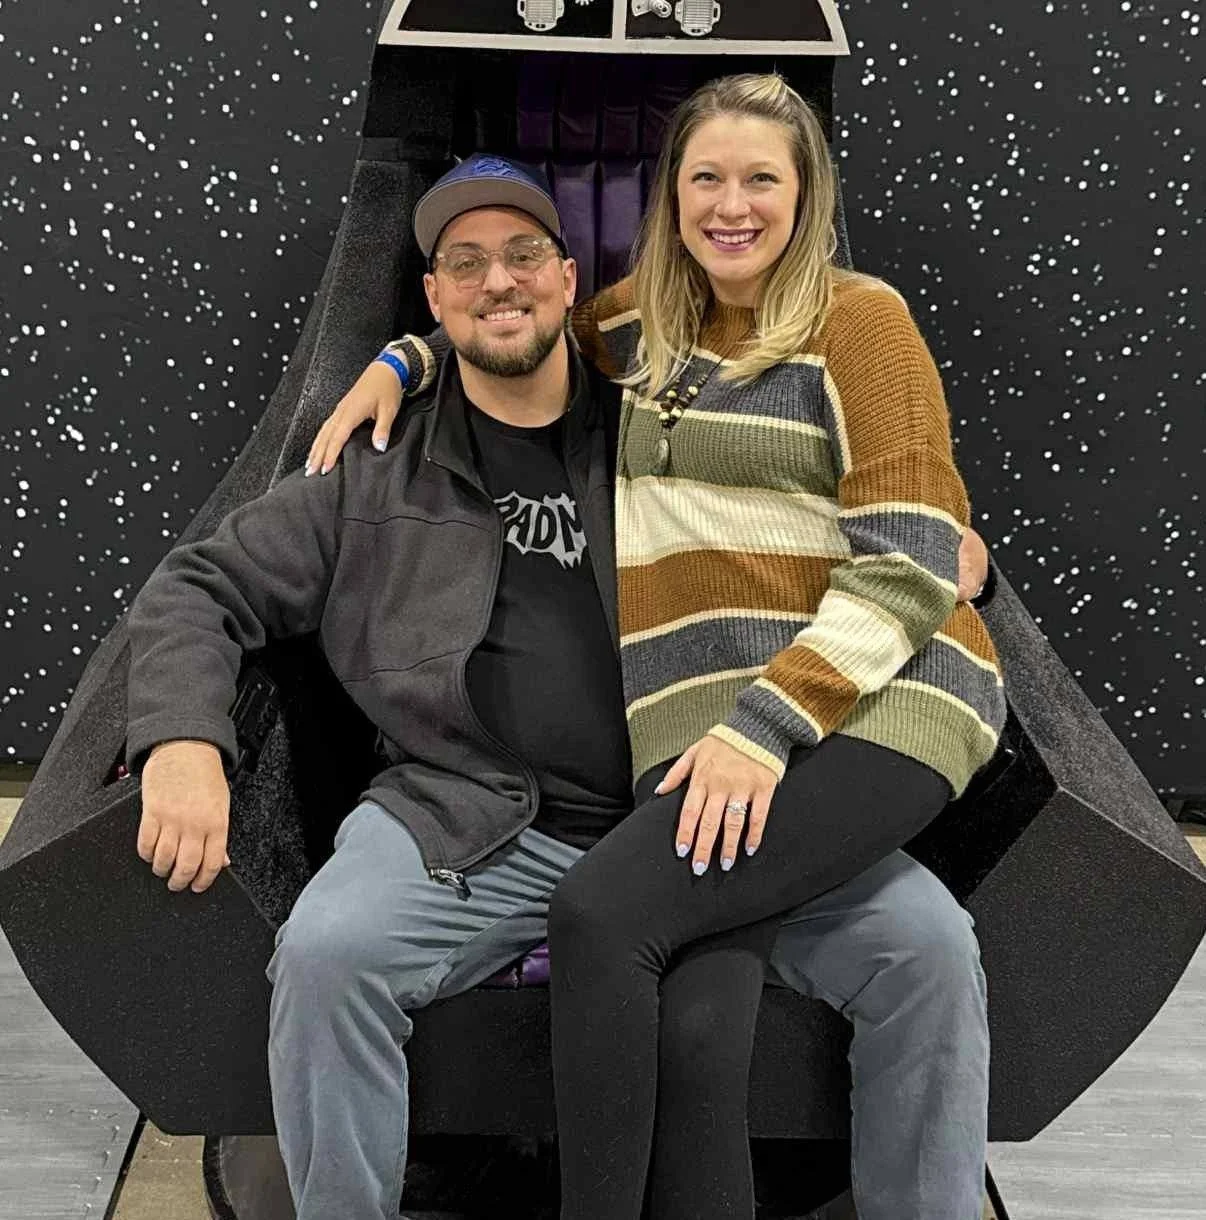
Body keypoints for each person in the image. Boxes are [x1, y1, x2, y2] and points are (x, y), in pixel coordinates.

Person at [313, 77, 1004, 1220]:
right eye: (707, 179)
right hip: (714, 733)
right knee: (696, 1010)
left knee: (599, 913)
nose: (733, 205)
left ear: (806, 194)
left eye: (762, 179)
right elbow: (512, 323)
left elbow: (912, 557)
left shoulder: (860, 318)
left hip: (880, 706)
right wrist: (403, 363)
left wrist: (763, 729)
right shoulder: (639, 327)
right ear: (671, 196)